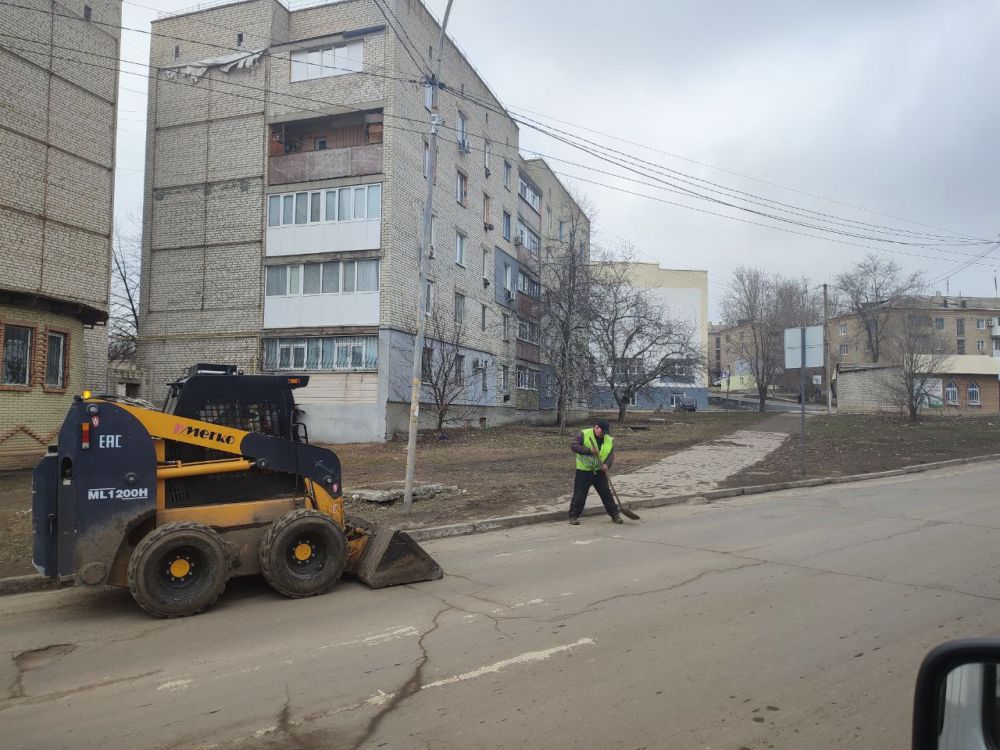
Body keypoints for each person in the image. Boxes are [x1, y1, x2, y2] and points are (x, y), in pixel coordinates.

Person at [568, 419, 621, 525]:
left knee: (606, 494)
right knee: (580, 494)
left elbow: (610, 454)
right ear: (596, 427)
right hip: (584, 471)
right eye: (602, 432)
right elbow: (574, 445)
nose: (603, 435)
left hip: (599, 471)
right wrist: (589, 451)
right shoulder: (584, 434)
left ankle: (615, 514)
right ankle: (573, 516)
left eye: (605, 432)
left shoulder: (608, 439)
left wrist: (607, 464)